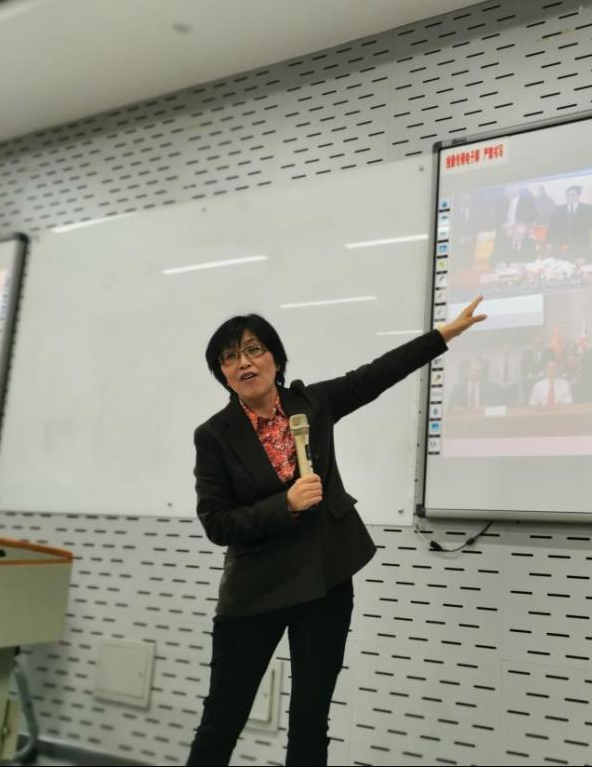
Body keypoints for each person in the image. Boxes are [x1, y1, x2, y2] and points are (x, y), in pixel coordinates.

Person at [186, 298, 487, 766]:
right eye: (229, 357)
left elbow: (376, 375)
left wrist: (442, 335)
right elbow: (217, 523)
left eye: (254, 349)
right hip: (255, 588)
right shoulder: (214, 436)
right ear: (222, 374)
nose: (244, 362)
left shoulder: (312, 404)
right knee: (223, 718)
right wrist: (284, 504)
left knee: (311, 719)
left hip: (323, 582)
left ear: (276, 359)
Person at [547, 185, 592, 252]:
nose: (569, 197)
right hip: (561, 245)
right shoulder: (559, 209)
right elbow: (552, 227)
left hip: (580, 245)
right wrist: (550, 242)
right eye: (567, 195)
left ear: (578, 195)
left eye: (572, 194)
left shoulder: (587, 209)